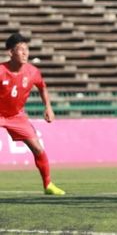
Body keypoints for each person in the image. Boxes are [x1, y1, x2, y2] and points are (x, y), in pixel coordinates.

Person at [0, 33, 65, 195]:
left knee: (38, 148)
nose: (24, 53)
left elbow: (42, 87)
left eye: (26, 49)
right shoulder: (1, 71)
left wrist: (48, 107)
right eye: (20, 49)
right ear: (10, 53)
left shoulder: (33, 72)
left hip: (16, 116)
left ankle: (48, 185)